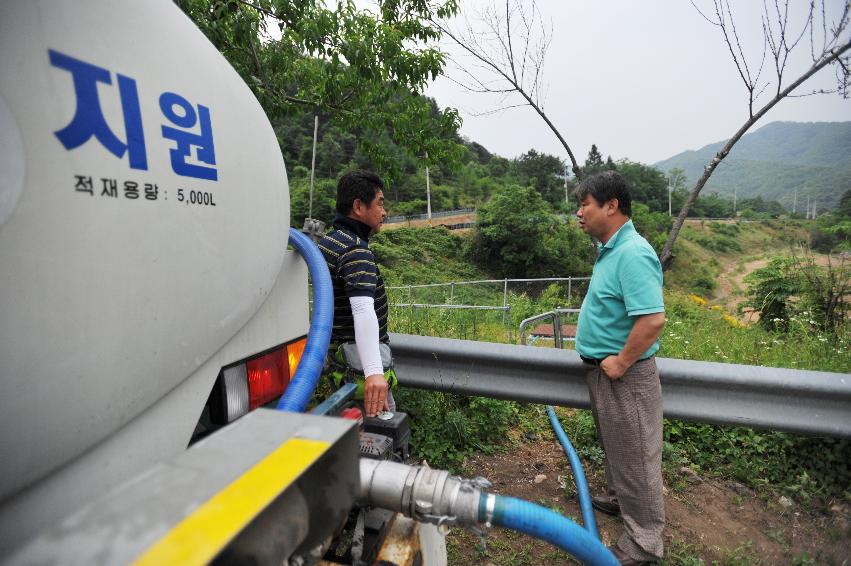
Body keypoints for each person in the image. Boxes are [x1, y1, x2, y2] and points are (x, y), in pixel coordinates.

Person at [574, 171, 666, 566]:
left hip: (624, 376)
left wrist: (622, 361)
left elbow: (652, 320)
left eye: (586, 205)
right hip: (606, 371)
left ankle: (645, 544)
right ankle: (617, 497)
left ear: (611, 206)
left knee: (637, 457)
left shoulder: (633, 252)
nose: (579, 213)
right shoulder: (610, 249)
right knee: (617, 445)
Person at [318, 170, 396, 417]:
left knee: (350, 435)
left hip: (339, 360)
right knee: (381, 434)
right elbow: (362, 310)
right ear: (359, 207)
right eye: (380, 203)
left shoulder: (330, 242)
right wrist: (373, 372)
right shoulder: (355, 250)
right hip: (359, 363)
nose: (384, 212)